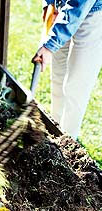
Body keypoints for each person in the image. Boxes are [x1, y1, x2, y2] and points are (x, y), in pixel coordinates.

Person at [32, 0, 102, 139]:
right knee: (58, 79)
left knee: (76, 88)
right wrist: (49, 3)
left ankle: (67, 145)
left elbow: (79, 6)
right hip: (62, 9)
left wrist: (50, 45)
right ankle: (54, 133)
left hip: (93, 13)